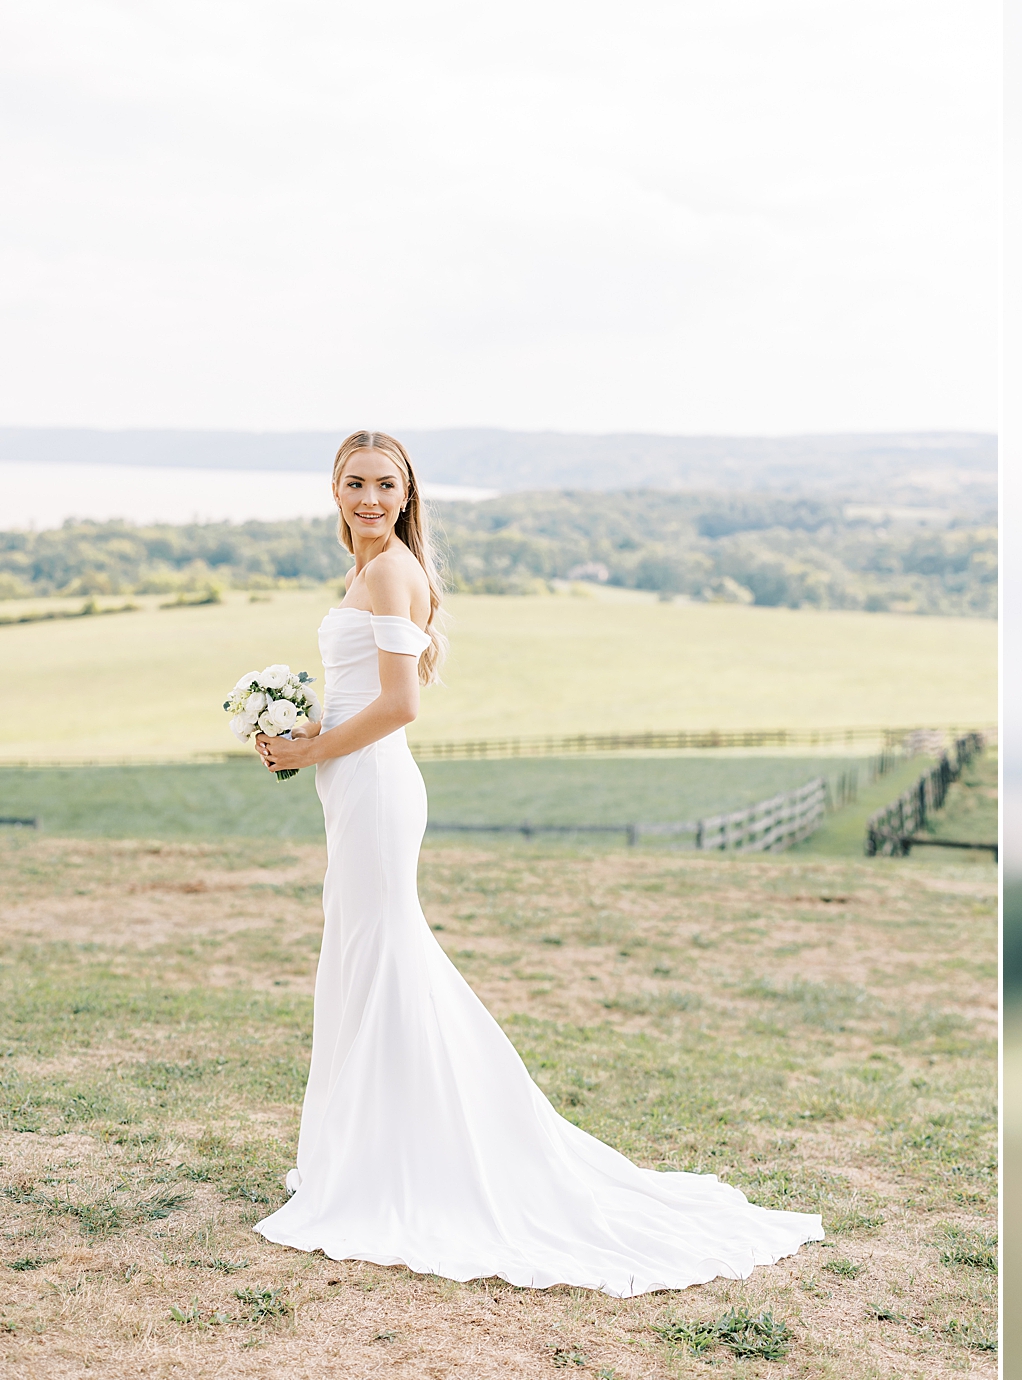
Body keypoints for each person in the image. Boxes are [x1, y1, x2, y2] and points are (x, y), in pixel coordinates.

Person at [251, 429, 821, 1294]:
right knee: (362, 959)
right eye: (354, 482)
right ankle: (364, 1152)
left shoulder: (392, 573)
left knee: (384, 959)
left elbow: (400, 704)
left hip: (373, 788)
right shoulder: (364, 573)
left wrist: (315, 746)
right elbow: (362, 689)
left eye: (384, 485)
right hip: (351, 784)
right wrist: (300, 738)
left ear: (407, 495)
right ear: (334, 490)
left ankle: (403, 1165)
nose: (369, 499)